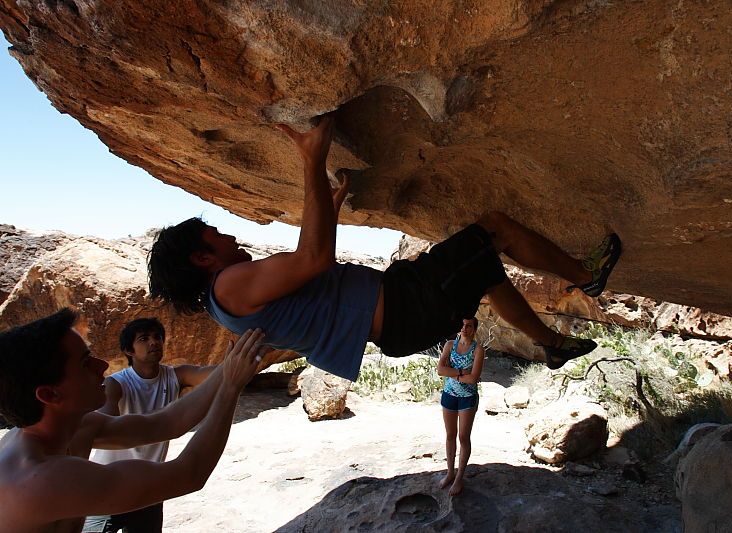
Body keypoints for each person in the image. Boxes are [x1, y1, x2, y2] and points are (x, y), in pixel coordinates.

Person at [148, 117, 621, 382]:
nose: (229, 237)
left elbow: (310, 285)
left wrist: (329, 206)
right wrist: (312, 159)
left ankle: (552, 344)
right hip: (406, 305)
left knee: (486, 271)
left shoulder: (226, 306)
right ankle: (585, 274)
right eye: (216, 237)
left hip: (399, 318)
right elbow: (312, 259)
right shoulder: (229, 284)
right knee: (492, 229)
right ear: (201, 258)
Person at [0, 309, 273, 532]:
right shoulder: (41, 478)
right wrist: (230, 387)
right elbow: (189, 474)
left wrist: (229, 368)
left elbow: (167, 423)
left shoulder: (74, 429)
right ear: (49, 394)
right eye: (85, 363)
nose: (102, 365)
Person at [84, 317, 217, 533]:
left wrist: (239, 359)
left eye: (157, 337)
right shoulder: (116, 383)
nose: (154, 342)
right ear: (129, 350)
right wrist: (166, 420)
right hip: (107, 486)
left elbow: (212, 374)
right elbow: (108, 426)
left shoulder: (175, 375)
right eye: (144, 339)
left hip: (149, 486)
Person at [436, 317, 485, 496]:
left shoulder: (478, 350)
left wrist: (452, 373)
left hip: (467, 398)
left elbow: (473, 378)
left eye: (469, 326)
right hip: (449, 395)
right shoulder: (450, 345)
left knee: (464, 437)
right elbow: (440, 370)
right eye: (462, 325)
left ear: (474, 329)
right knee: (450, 435)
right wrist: (461, 373)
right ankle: (450, 472)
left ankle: (459, 477)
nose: (464, 328)